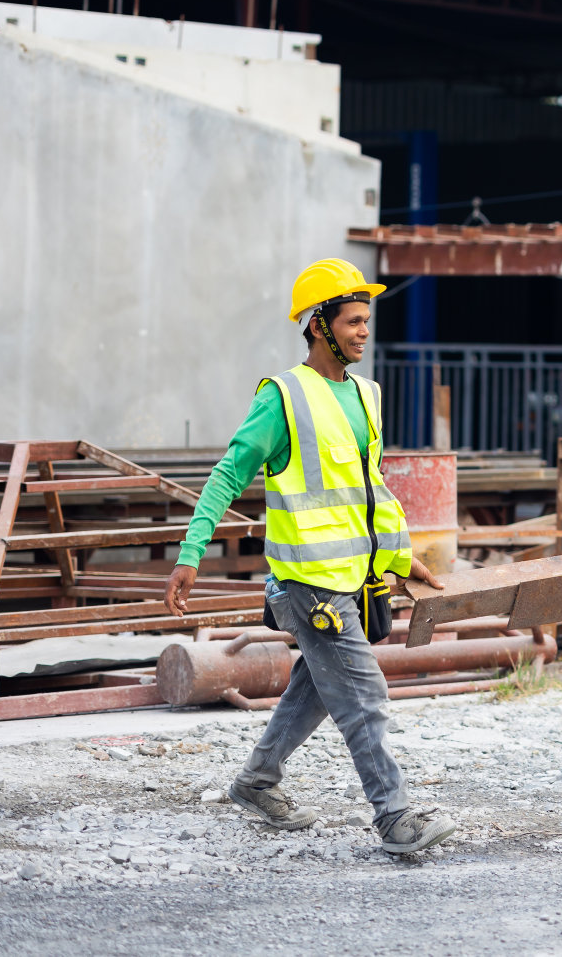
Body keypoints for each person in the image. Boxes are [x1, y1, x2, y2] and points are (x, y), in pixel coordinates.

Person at [164, 258, 457, 854]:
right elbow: (226, 475)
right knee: (363, 696)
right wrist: (191, 552)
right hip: (309, 583)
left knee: (317, 688)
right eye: (352, 322)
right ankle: (395, 819)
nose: (363, 333)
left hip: (352, 578)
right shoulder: (283, 398)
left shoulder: (366, 396)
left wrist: (400, 558)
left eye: (366, 321)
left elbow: (370, 492)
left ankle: (255, 781)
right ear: (319, 325)